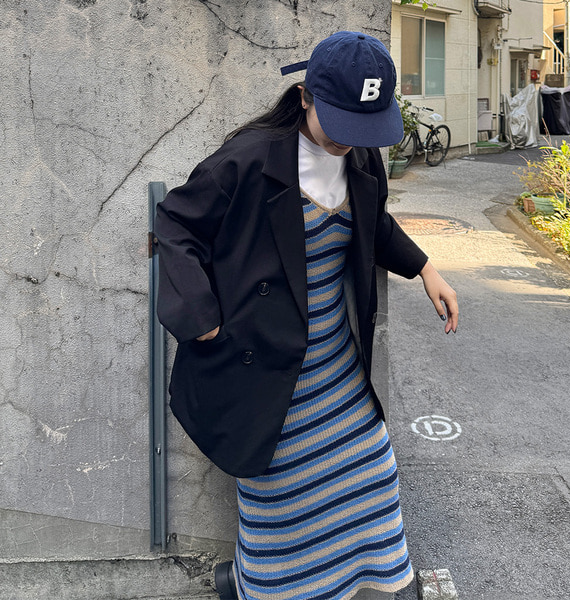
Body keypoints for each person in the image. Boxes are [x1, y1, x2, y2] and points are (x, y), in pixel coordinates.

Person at [155, 31, 458, 600]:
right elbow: (174, 224)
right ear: (305, 98)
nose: (350, 142)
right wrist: (199, 315)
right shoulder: (248, 160)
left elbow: (374, 222)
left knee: (373, 474)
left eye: (364, 128)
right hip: (266, 370)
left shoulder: (361, 156)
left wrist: (424, 268)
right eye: (341, 125)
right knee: (280, 504)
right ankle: (264, 586)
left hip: (336, 365)